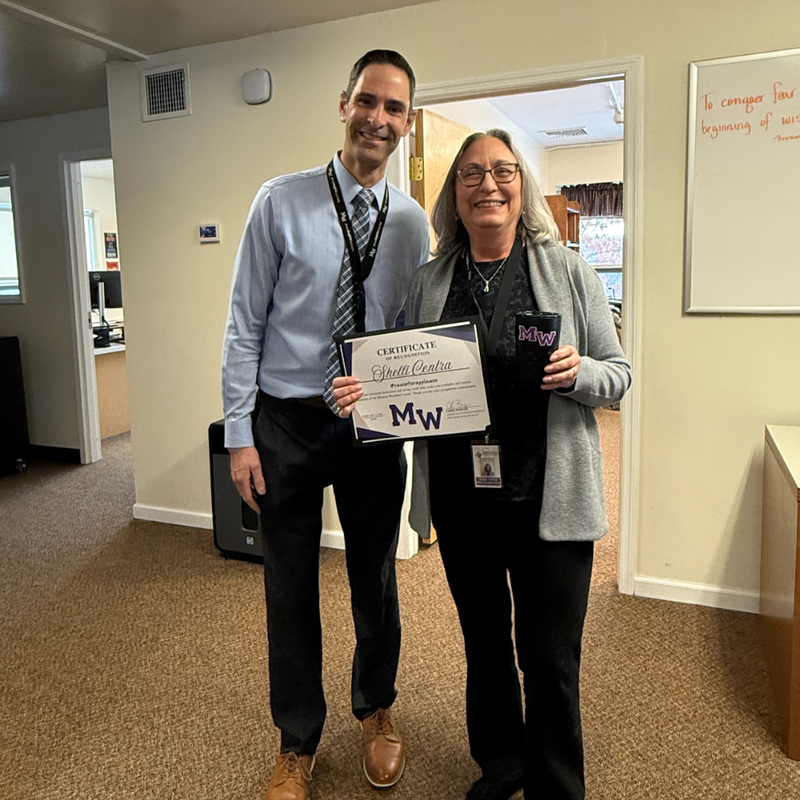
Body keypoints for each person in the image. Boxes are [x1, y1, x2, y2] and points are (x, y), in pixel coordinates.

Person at [333, 129, 631, 800]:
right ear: (455, 195)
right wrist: (364, 394)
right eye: (471, 174)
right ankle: (503, 765)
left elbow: (619, 373)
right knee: (485, 642)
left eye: (502, 171)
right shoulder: (430, 281)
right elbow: (401, 372)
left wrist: (580, 372)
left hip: (549, 499)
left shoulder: (570, 272)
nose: (488, 185)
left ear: (521, 186)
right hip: (463, 502)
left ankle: (556, 786)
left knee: (549, 655)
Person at [221, 50, 429, 800]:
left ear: (408, 122)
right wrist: (239, 435)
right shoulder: (280, 202)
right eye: (367, 101)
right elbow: (244, 323)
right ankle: (297, 740)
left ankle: (375, 708)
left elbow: (411, 329)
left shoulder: (411, 223)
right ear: (344, 105)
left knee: (376, 576)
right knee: (288, 585)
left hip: (372, 425)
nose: (378, 118)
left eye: (394, 108)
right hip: (289, 422)